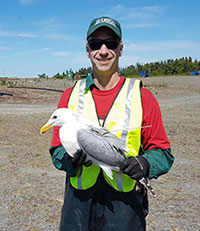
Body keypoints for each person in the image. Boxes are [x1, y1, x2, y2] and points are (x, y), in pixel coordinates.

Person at [49, 16, 174, 231]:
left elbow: (163, 153)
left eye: (111, 43)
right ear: (87, 50)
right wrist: (71, 159)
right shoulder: (69, 97)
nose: (104, 50)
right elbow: (56, 151)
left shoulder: (142, 97)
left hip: (124, 207)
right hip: (78, 205)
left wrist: (145, 164)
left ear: (121, 49)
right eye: (96, 44)